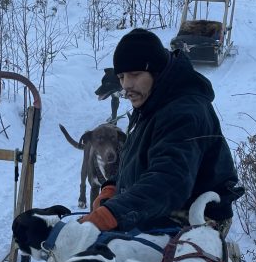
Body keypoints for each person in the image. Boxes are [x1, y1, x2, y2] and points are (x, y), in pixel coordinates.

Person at [79, 28, 240, 236]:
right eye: (121, 77)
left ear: (156, 71)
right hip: (160, 207)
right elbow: (137, 159)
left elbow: (170, 180)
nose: (126, 86)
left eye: (135, 74)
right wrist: (113, 187)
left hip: (196, 216)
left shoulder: (185, 111)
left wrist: (112, 214)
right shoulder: (153, 100)